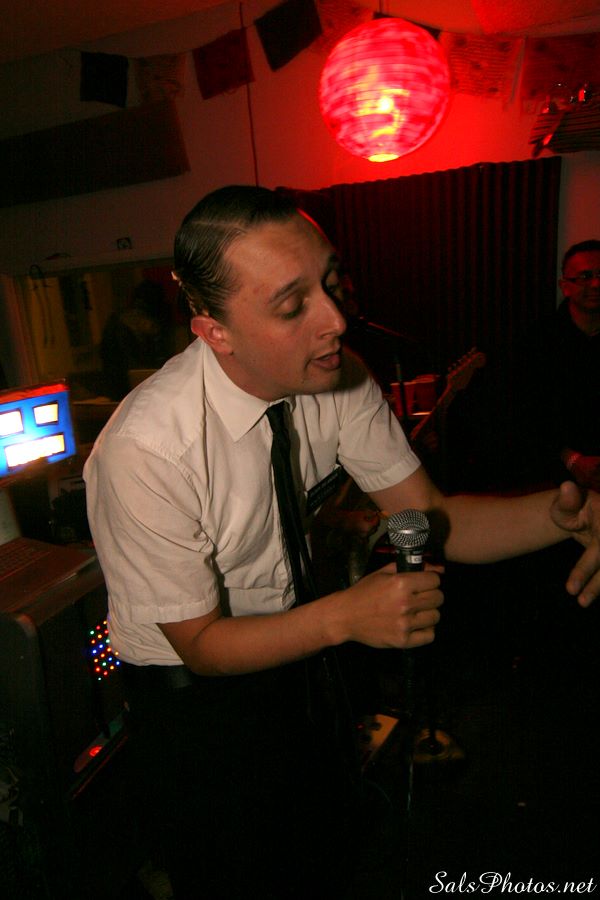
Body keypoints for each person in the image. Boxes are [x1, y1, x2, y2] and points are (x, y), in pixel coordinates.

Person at [83, 188, 600, 900]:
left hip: (300, 650)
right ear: (214, 331)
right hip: (193, 696)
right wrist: (346, 617)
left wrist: (568, 516)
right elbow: (200, 644)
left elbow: (430, 516)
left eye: (329, 283)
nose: (334, 318)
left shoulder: (341, 375)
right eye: (292, 305)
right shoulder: (145, 449)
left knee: (324, 847)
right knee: (236, 875)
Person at [509, 239, 600, 492]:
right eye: (585, 276)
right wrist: (572, 460)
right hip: (553, 473)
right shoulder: (539, 340)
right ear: (565, 286)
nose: (596, 284)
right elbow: (526, 414)